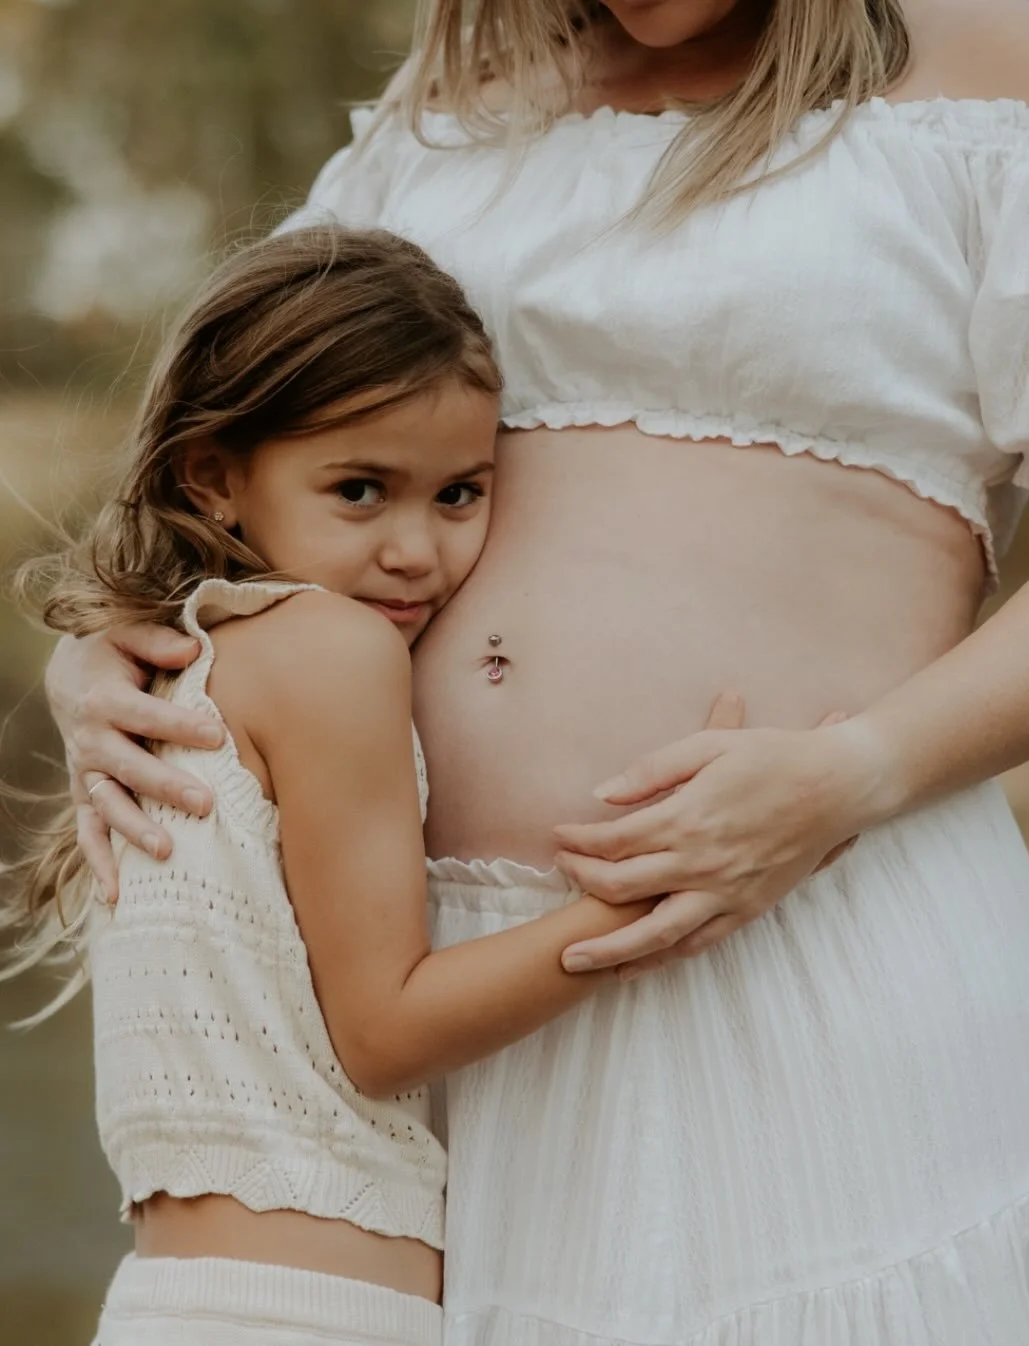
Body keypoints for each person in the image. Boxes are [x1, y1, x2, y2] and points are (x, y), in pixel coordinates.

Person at [43, 0, 1029, 1342]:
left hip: (812, 926)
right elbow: (247, 429)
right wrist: (107, 648)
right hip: (442, 1004)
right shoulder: (456, 93)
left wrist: (852, 774)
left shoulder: (1015, 79)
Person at [2, 225, 669, 1346]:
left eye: (459, 493)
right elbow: (384, 1029)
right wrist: (654, 899)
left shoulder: (179, 672)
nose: (416, 549)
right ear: (215, 477)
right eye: (361, 490)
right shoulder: (333, 652)